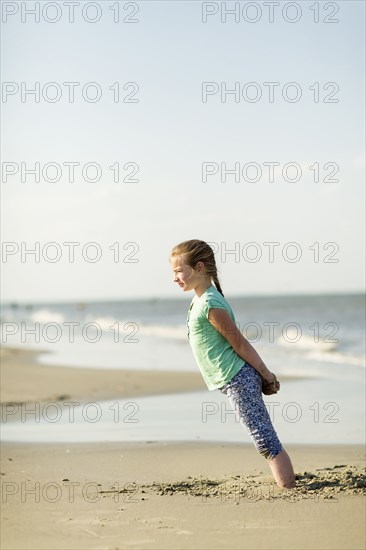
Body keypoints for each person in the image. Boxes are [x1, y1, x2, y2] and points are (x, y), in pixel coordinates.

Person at [169, 239, 296, 489]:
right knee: (262, 435)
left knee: (264, 439)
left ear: (200, 267)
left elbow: (240, 344)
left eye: (178, 271)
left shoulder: (210, 303)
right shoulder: (200, 299)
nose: (175, 278)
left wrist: (267, 375)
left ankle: (289, 488)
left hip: (238, 378)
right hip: (233, 378)